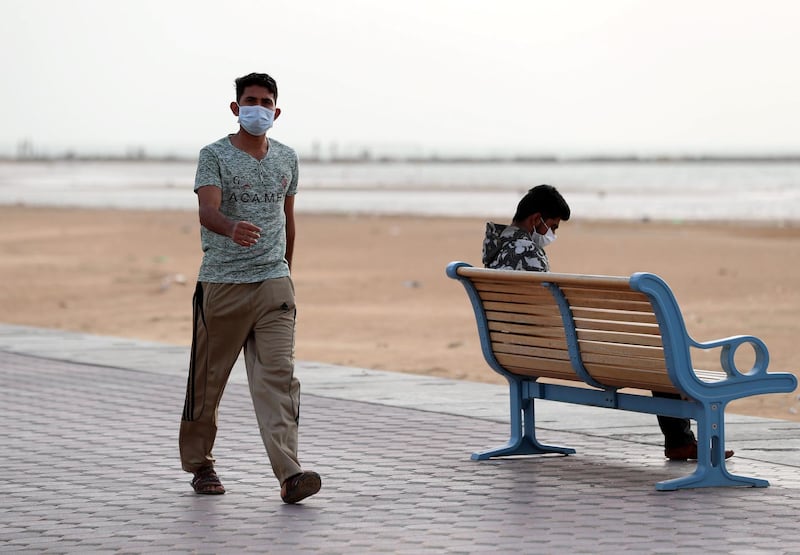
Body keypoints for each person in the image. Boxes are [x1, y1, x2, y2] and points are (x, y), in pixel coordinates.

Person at [481, 184, 732, 461]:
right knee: (659, 356)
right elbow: (546, 314)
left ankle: (681, 439)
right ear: (534, 220)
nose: (551, 234)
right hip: (552, 352)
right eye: (551, 226)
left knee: (653, 354)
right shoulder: (527, 252)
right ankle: (680, 440)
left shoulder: (497, 250)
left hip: (513, 351)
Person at [179, 72, 321, 503]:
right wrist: (230, 227)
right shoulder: (214, 155)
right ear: (236, 108)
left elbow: (287, 220)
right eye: (250, 100)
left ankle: (289, 474)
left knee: (278, 378)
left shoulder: (287, 158)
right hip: (222, 285)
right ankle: (200, 465)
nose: (258, 108)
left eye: (265, 101)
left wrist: (286, 273)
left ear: (276, 111)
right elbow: (207, 211)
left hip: (274, 286)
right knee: (208, 382)